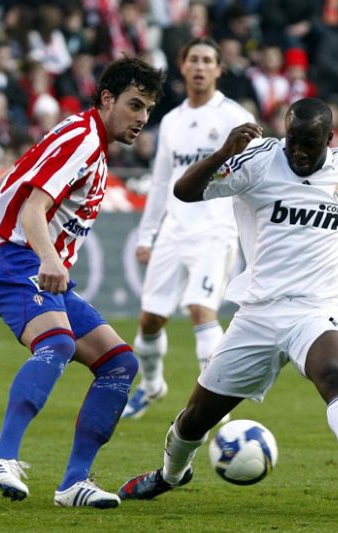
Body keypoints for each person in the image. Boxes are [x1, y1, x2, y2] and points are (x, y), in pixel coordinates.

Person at [116, 97, 338, 500]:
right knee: (195, 419)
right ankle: (170, 474)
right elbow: (184, 191)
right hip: (258, 313)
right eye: (293, 141)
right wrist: (223, 153)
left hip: (317, 310)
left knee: (334, 374)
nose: (299, 151)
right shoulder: (258, 162)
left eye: (309, 144)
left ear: (330, 138)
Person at [0, 57, 164, 508]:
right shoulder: (83, 140)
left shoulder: (84, 136)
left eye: (148, 109)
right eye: (134, 105)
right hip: (18, 259)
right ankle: (0, 458)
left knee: (119, 364)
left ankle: (74, 483)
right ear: (107, 99)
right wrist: (42, 256)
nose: (142, 118)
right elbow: (32, 206)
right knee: (57, 343)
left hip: (19, 259)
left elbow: (7, 179)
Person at [120, 37, 255, 420]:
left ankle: (214, 408)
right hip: (174, 232)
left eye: (207, 60)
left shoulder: (234, 117)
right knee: (150, 320)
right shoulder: (172, 121)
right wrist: (148, 234)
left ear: (218, 69)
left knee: (201, 310)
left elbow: (253, 177)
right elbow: (162, 182)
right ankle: (152, 385)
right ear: (182, 66)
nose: (199, 66)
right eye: (193, 59)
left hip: (215, 231)